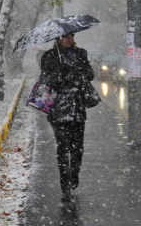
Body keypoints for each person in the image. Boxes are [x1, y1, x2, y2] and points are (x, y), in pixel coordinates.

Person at [39, 33, 94, 202]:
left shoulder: (81, 53)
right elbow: (44, 79)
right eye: (65, 37)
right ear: (58, 39)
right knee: (63, 149)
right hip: (59, 109)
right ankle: (65, 187)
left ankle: (74, 174)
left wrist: (81, 71)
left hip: (77, 108)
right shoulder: (50, 56)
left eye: (71, 36)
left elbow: (90, 75)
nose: (69, 39)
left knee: (78, 148)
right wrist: (59, 75)